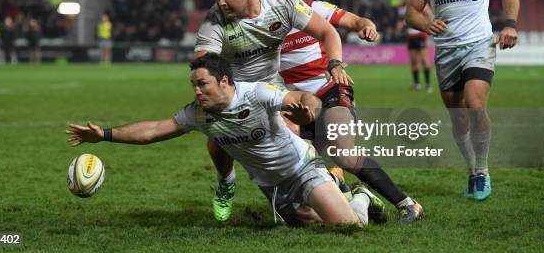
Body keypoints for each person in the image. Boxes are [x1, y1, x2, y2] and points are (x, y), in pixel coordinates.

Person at [66, 53, 379, 227]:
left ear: (225, 81)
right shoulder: (199, 114)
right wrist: (104, 136)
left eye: (202, 84)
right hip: (271, 186)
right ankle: (339, 194)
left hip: (302, 169)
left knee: (347, 228)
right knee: (306, 224)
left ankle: (361, 196)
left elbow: (305, 98)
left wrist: (307, 115)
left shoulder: (256, 93)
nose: (197, 92)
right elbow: (152, 132)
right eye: (194, 86)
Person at [250, 0, 423, 222]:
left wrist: (366, 27)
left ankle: (407, 203)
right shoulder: (262, 24)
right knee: (303, 165)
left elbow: (355, 21)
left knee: (343, 153)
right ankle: (358, 198)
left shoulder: (311, 9)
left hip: (330, 88)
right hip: (297, 103)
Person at [194, 0, 353, 221]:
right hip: (235, 89)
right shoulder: (214, 21)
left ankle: (329, 186)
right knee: (217, 142)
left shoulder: (281, 3)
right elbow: (202, 62)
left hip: (271, 84)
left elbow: (328, 32)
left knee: (292, 131)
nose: (221, 3)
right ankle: (226, 183)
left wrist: (335, 63)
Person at [405, 0, 519, 201]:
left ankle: (482, 170)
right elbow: (411, 13)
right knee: (458, 120)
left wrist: (510, 25)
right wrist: (424, 24)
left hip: (479, 45)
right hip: (446, 52)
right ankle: (472, 170)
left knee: (475, 105)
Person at [398, 0, 432, 92]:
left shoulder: (419, 3)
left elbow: (430, 15)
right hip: (410, 36)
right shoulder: (401, 7)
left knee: (424, 60)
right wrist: (399, 27)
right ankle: (417, 84)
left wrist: (426, 26)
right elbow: (400, 21)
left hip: (420, 35)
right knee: (413, 61)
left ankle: (428, 85)